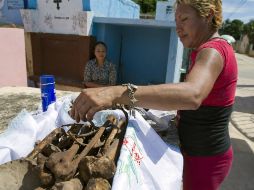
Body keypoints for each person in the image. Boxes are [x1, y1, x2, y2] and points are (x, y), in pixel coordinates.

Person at [70, 0, 238, 189]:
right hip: (196, 152)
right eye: (176, 21)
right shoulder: (203, 51)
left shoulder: (213, 51)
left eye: (184, 19)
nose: (178, 28)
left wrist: (117, 92)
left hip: (205, 159)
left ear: (207, 15)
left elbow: (192, 94)